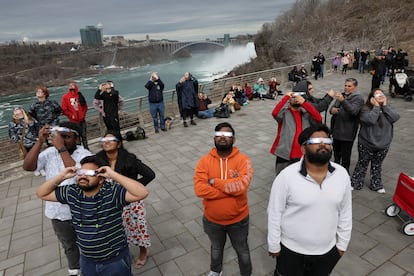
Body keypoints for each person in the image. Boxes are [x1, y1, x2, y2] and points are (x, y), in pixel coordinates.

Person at [36, 155, 149, 275]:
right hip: (87, 260)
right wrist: (61, 176)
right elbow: (41, 193)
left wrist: (113, 175)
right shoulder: (72, 192)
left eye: (89, 173)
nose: (83, 176)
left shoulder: (112, 193)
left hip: (114, 261)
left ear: (101, 179)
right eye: (81, 172)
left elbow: (142, 193)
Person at [268, 124, 352, 276]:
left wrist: (342, 244)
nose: (322, 144)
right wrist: (274, 245)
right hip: (291, 251)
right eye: (315, 141)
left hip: (327, 252)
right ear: (303, 149)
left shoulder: (342, 174)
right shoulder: (286, 177)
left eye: (327, 141)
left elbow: (346, 212)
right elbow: (274, 212)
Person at [23, 122, 92, 276]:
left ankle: (93, 268)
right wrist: (40, 141)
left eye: (66, 137)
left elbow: (80, 174)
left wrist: (61, 148)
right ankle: (75, 271)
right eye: (59, 137)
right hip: (57, 213)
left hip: (82, 211)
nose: (61, 140)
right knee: (69, 245)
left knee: (88, 243)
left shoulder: (85, 155)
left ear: (77, 139)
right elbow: (28, 166)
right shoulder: (49, 153)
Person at [194, 122, 254, 276]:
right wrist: (230, 189)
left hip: (238, 220)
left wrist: (215, 182)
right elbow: (199, 189)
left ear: (234, 139)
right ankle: (215, 271)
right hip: (212, 220)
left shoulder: (243, 160)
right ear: (214, 138)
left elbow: (241, 186)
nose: (222, 137)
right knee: (215, 248)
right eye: (219, 134)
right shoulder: (204, 161)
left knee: (243, 251)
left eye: (227, 135)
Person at [95, 130, 155, 268]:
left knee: (138, 227)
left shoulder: (129, 158)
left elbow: (150, 174)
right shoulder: (97, 159)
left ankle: (143, 251)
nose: (107, 142)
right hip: (110, 201)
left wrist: (133, 189)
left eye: (111, 140)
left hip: (131, 200)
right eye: (104, 140)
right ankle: (121, 252)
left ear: (119, 143)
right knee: (117, 229)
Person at [351, 89, 400, 193]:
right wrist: (377, 107)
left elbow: (395, 117)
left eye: (382, 94)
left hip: (383, 144)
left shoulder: (388, 108)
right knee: (362, 164)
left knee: (377, 165)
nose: (380, 96)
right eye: (377, 94)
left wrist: (385, 106)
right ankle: (356, 183)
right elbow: (370, 120)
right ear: (372, 98)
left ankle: (376, 185)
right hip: (367, 143)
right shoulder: (365, 109)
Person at [270, 92, 322, 174]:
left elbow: (318, 119)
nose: (296, 99)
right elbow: (275, 113)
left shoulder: (306, 113)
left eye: (298, 97)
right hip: (285, 153)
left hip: (303, 154)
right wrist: (286, 96)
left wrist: (305, 103)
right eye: (293, 97)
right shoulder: (284, 113)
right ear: (289, 100)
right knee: (282, 177)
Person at [329, 78, 364, 172]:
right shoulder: (342, 95)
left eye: (349, 86)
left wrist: (343, 101)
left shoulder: (358, 98)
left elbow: (353, 111)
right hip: (336, 131)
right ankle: (335, 174)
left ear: (355, 87)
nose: (346, 88)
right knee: (336, 156)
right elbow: (332, 107)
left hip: (347, 134)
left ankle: (344, 175)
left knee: (345, 158)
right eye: (345, 85)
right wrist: (332, 110)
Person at [61, 82, 89, 149]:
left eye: (73, 85)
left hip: (82, 119)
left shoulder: (79, 95)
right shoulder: (65, 97)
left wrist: (83, 114)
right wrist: (71, 115)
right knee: (76, 137)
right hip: (73, 121)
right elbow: (64, 109)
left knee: (84, 136)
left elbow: (85, 106)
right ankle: (78, 150)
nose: (71, 87)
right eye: (70, 85)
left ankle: (86, 149)